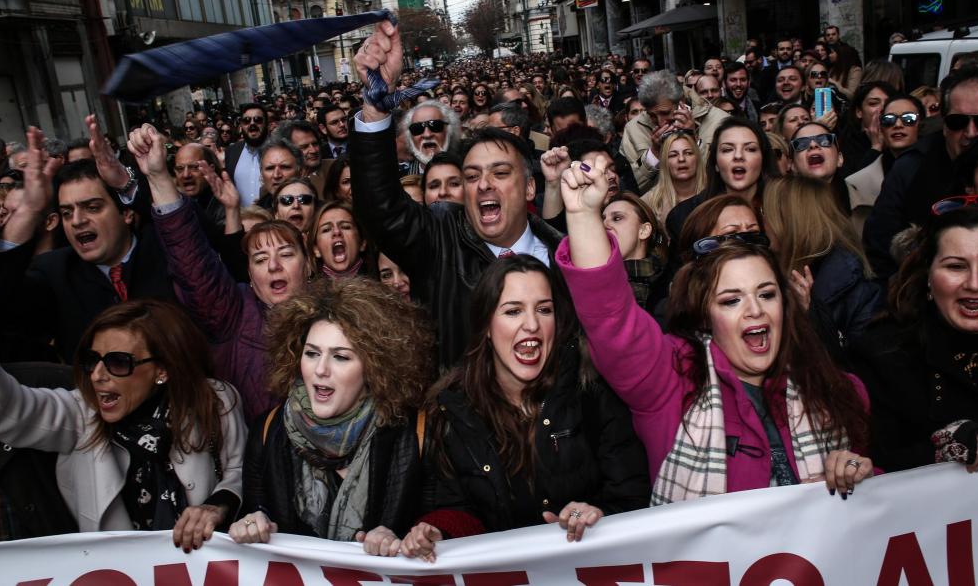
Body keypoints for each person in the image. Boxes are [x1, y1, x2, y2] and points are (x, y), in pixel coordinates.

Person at [555, 155, 874, 502]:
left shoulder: (833, 389)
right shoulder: (671, 381)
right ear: (705, 315)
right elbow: (611, 317)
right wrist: (583, 215)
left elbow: (879, 505)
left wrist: (860, 474)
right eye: (731, 301)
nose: (755, 311)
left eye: (766, 294)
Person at [399, 257, 649, 559]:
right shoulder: (453, 409)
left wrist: (598, 514)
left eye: (544, 310)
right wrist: (437, 530)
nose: (532, 325)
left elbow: (634, 500)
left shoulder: (591, 392)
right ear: (487, 326)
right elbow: (456, 508)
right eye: (513, 311)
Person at [349, 22, 561, 373]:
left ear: (529, 188)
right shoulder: (441, 240)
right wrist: (375, 112)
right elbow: (381, 210)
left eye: (500, 173)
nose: (484, 184)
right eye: (472, 176)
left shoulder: (567, 256)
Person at [0, 301, 245, 548]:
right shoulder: (79, 413)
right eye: (91, 360)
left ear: (162, 370)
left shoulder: (214, 399)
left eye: (118, 363)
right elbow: (6, 410)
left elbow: (240, 470)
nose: (97, 375)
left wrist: (217, 505)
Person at [229, 278, 431, 552]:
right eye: (312, 353)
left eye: (341, 357)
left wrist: (408, 537)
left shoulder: (415, 433)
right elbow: (257, 506)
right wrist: (253, 522)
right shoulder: (268, 430)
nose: (321, 369)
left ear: (374, 368)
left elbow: (444, 520)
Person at [129, 124, 315, 421]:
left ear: (307, 264)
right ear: (250, 276)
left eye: (286, 254)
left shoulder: (339, 311)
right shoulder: (236, 314)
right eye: (260, 258)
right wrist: (158, 176)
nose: (273, 266)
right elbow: (191, 261)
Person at [0, 122, 176, 362]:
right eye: (66, 212)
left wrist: (130, 184)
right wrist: (28, 213)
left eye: (92, 207)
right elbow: (0, 304)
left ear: (126, 214)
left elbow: (197, 236)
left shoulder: (165, 250)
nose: (77, 221)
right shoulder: (54, 272)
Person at [852, 204, 978, 473]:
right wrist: (940, 450)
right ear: (928, 277)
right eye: (956, 266)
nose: (974, 283)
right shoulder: (883, 356)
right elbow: (872, 468)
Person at [864, 66, 978, 283]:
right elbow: (879, 249)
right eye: (958, 122)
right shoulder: (910, 169)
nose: (971, 133)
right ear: (944, 126)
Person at [762, 175, 881, 350]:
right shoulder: (773, 269)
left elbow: (853, 368)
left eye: (765, 212)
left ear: (787, 220)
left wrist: (810, 317)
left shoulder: (856, 290)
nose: (762, 222)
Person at [664, 118, 779, 250]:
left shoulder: (785, 209)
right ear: (716, 164)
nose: (738, 156)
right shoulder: (684, 216)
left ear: (763, 161)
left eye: (750, 149)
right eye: (727, 149)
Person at [845, 95, 924, 235]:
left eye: (908, 119)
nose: (898, 125)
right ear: (881, 128)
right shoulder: (857, 182)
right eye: (889, 120)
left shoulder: (939, 170)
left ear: (921, 124)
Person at [603, 193, 668, 315]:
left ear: (643, 231)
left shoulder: (666, 285)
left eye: (617, 218)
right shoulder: (594, 283)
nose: (604, 225)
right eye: (602, 220)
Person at [640, 130, 705, 232]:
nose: (681, 159)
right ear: (665, 162)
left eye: (688, 153)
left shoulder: (714, 192)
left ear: (697, 158)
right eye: (673, 155)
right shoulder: (649, 202)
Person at [225, 103, 269, 207]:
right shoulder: (232, 151)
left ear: (266, 123)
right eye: (247, 120)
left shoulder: (277, 150)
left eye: (258, 120)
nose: (252, 124)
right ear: (241, 125)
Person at [400, 101, 461, 176]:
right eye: (417, 128)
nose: (427, 134)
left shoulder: (465, 172)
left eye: (436, 126)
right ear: (410, 137)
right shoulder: (400, 181)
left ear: (449, 130)